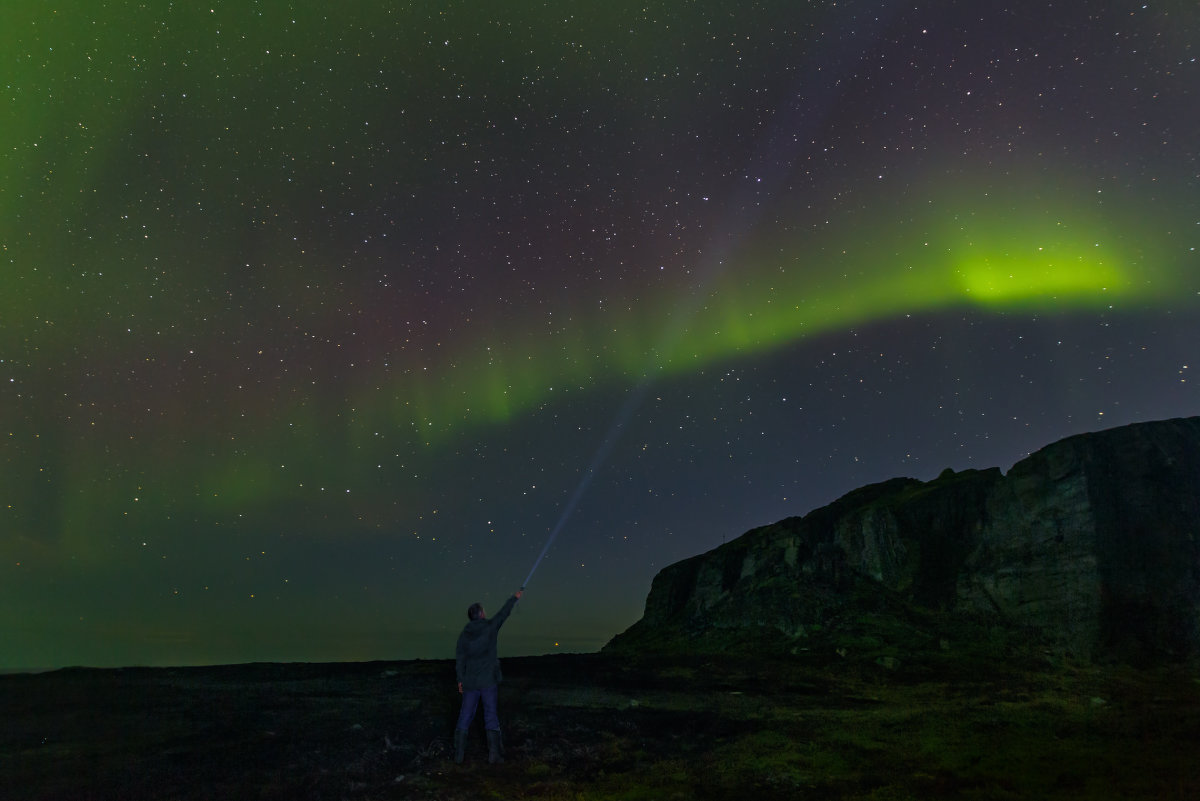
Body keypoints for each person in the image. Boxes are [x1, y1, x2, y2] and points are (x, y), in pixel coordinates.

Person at [453, 588, 522, 764]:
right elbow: (503, 613)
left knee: (465, 716)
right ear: (481, 614)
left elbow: (460, 659)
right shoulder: (490, 627)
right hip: (488, 681)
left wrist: (460, 679)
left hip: (470, 682)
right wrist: (514, 598)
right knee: (490, 714)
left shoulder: (464, 635)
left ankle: (458, 756)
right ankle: (494, 755)